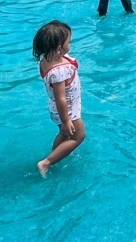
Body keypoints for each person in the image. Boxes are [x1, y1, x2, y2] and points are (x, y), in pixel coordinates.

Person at [32, 21, 85, 178]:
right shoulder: (59, 71)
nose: (70, 45)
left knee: (64, 134)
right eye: (68, 42)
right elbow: (60, 97)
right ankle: (47, 162)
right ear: (58, 49)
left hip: (57, 108)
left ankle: (57, 155)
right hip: (66, 110)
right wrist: (67, 120)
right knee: (79, 135)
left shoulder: (46, 58)